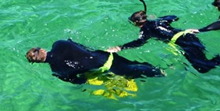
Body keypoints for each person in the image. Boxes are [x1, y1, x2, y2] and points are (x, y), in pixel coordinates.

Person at [107, 0, 220, 73]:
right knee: (203, 60)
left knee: (201, 67)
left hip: (183, 43)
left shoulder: (146, 30)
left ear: (136, 23)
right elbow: (174, 17)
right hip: (189, 36)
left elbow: (139, 42)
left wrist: (120, 47)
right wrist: (158, 18)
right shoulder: (159, 21)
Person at [26, 39, 165, 85]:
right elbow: (82, 47)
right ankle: (162, 70)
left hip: (105, 68)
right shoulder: (59, 43)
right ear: (41, 49)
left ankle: (164, 74)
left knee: (137, 73)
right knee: (135, 65)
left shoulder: (57, 71)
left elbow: (78, 81)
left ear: (38, 63)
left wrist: (86, 77)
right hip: (106, 56)